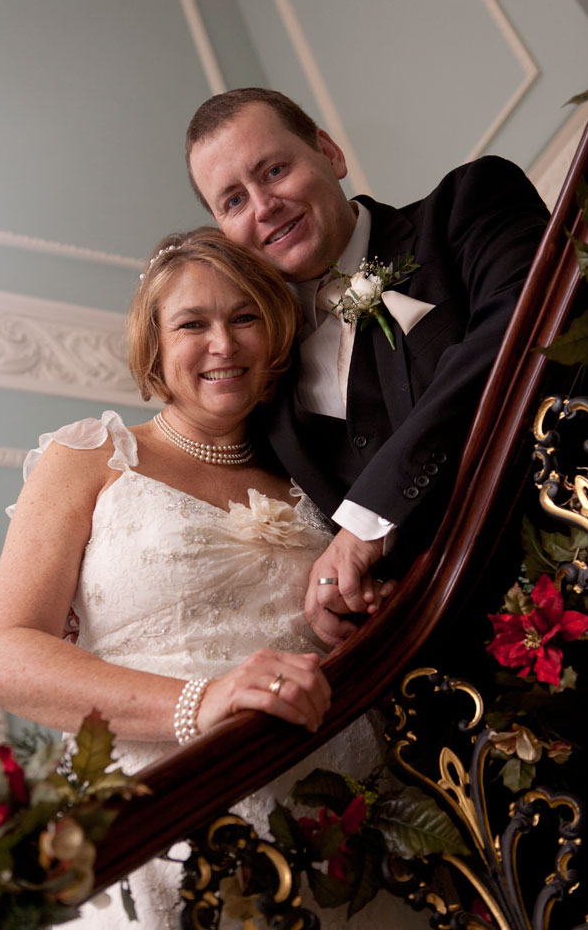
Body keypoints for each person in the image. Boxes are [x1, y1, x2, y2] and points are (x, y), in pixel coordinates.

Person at [0, 228, 427, 930]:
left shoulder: (320, 476)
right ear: (155, 343)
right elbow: (1, 659)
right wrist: (199, 701)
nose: (223, 343)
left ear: (274, 333)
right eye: (192, 323)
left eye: (244, 317)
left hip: (342, 822)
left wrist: (361, 606)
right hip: (167, 818)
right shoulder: (88, 458)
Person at [185, 87, 551, 647]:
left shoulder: (470, 203)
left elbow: (522, 333)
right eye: (233, 201)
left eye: (275, 170)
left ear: (329, 153)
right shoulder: (263, 384)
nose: (263, 206)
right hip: (454, 669)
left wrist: (366, 524)